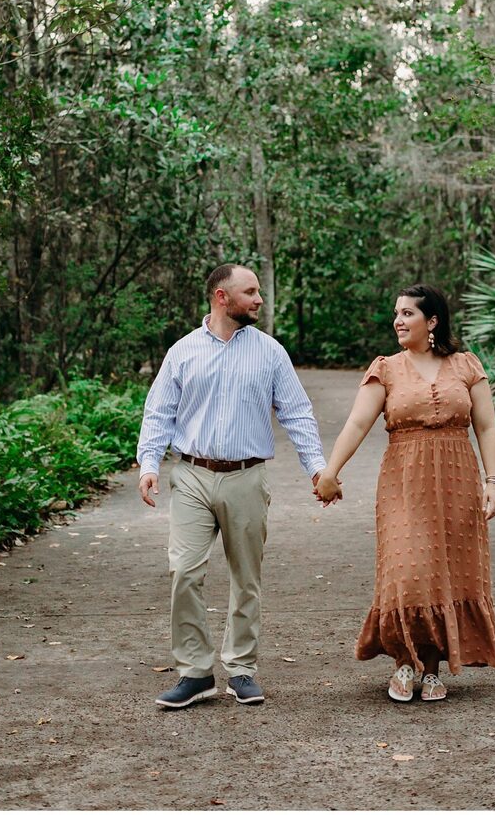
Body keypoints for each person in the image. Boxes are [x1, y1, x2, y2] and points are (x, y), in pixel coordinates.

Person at [137, 263, 330, 709]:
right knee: (185, 571)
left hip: (247, 475)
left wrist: (317, 469)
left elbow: (296, 413)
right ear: (222, 297)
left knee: (247, 578)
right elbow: (158, 412)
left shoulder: (270, 352)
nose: (259, 299)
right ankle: (196, 673)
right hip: (191, 475)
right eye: (251, 292)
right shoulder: (182, 351)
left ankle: (241, 668)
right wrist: (149, 463)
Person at [315, 284, 495, 703]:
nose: (398, 321)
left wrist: (493, 482)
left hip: (457, 479)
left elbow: (486, 427)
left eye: (407, 314)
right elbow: (357, 425)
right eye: (396, 314)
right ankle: (405, 661)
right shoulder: (387, 369)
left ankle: (433, 669)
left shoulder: (466, 365)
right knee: (408, 572)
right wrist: (330, 472)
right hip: (404, 481)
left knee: (449, 573)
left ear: (432, 321)